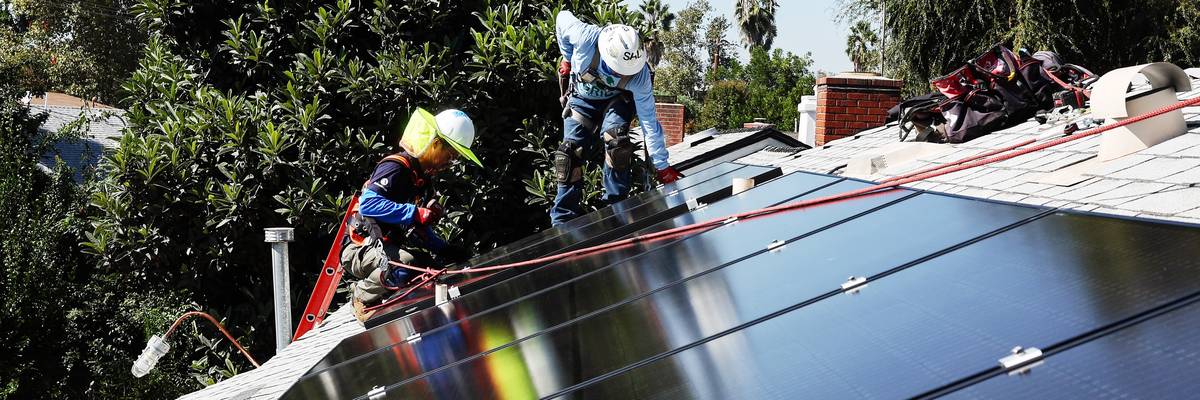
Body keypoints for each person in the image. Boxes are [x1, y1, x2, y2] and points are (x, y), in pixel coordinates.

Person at [344, 108, 481, 322]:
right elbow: (368, 204)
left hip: (388, 247)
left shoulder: (423, 182)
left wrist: (445, 249)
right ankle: (360, 296)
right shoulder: (395, 167)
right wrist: (414, 212)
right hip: (359, 247)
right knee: (405, 265)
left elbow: (419, 231)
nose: (450, 163)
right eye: (450, 155)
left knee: (430, 268)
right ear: (435, 144)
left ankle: (392, 300)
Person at [551, 10, 684, 226]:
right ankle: (563, 223)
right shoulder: (585, 37)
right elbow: (561, 17)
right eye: (619, 70)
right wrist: (567, 58)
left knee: (617, 144)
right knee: (568, 154)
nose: (624, 75)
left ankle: (615, 212)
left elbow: (649, 122)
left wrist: (662, 166)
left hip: (617, 102)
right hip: (581, 101)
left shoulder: (639, 75)